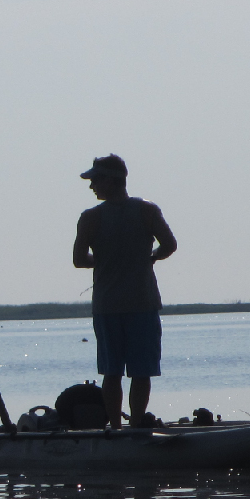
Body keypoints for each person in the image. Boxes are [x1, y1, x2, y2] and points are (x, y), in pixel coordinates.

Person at [72, 154, 176, 428]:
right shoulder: (147, 211)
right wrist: (149, 256)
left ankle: (120, 428)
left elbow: (80, 260)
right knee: (135, 372)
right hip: (137, 304)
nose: (92, 186)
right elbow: (169, 245)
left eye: (96, 180)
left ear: (112, 180)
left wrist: (107, 259)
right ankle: (133, 425)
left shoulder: (92, 218)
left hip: (112, 306)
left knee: (114, 371)